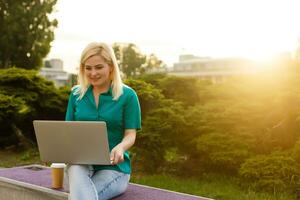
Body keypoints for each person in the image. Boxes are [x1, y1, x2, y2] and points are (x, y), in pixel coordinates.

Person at [65, 42, 141, 200]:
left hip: (114, 168)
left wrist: (121, 147)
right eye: (88, 68)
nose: (93, 73)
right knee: (76, 171)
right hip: (81, 164)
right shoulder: (76, 95)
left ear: (111, 67)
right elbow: (68, 132)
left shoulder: (128, 96)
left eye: (99, 67)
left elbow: (130, 134)